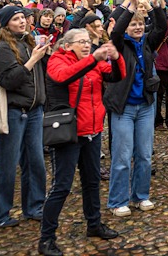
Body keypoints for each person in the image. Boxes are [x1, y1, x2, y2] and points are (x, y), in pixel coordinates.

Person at [38, 31, 125, 256]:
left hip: (92, 131)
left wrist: (116, 58)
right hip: (69, 133)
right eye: (82, 42)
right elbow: (64, 76)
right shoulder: (58, 59)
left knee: (92, 181)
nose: (87, 45)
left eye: (88, 41)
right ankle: (46, 238)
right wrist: (93, 58)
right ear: (67, 46)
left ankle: (94, 224)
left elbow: (116, 76)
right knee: (61, 186)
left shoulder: (93, 62)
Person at [0, 5, 51, 229]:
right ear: (6, 24)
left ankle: (34, 206)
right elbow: (9, 80)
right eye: (16, 19)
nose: (22, 22)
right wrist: (32, 62)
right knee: (6, 166)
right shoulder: (2, 49)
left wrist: (44, 57)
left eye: (24, 18)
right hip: (13, 113)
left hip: (33, 112)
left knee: (35, 163)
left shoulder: (29, 42)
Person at [104, 0, 168, 216]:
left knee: (144, 154)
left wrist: (153, 5)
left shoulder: (148, 43)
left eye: (141, 24)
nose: (138, 27)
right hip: (123, 108)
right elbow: (116, 32)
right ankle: (117, 200)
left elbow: (162, 27)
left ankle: (141, 196)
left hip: (145, 107)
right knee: (121, 157)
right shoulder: (120, 45)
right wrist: (130, 6)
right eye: (134, 24)